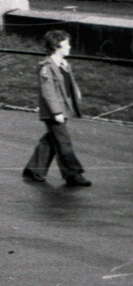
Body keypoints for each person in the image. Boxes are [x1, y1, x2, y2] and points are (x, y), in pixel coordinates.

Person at [22, 30, 92, 188]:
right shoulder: (47, 67)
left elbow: (69, 85)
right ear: (56, 46)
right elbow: (48, 92)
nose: (70, 46)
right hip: (54, 111)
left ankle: (34, 169)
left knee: (52, 140)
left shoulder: (64, 65)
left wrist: (76, 98)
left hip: (63, 109)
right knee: (63, 141)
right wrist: (56, 112)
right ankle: (73, 174)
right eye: (66, 44)